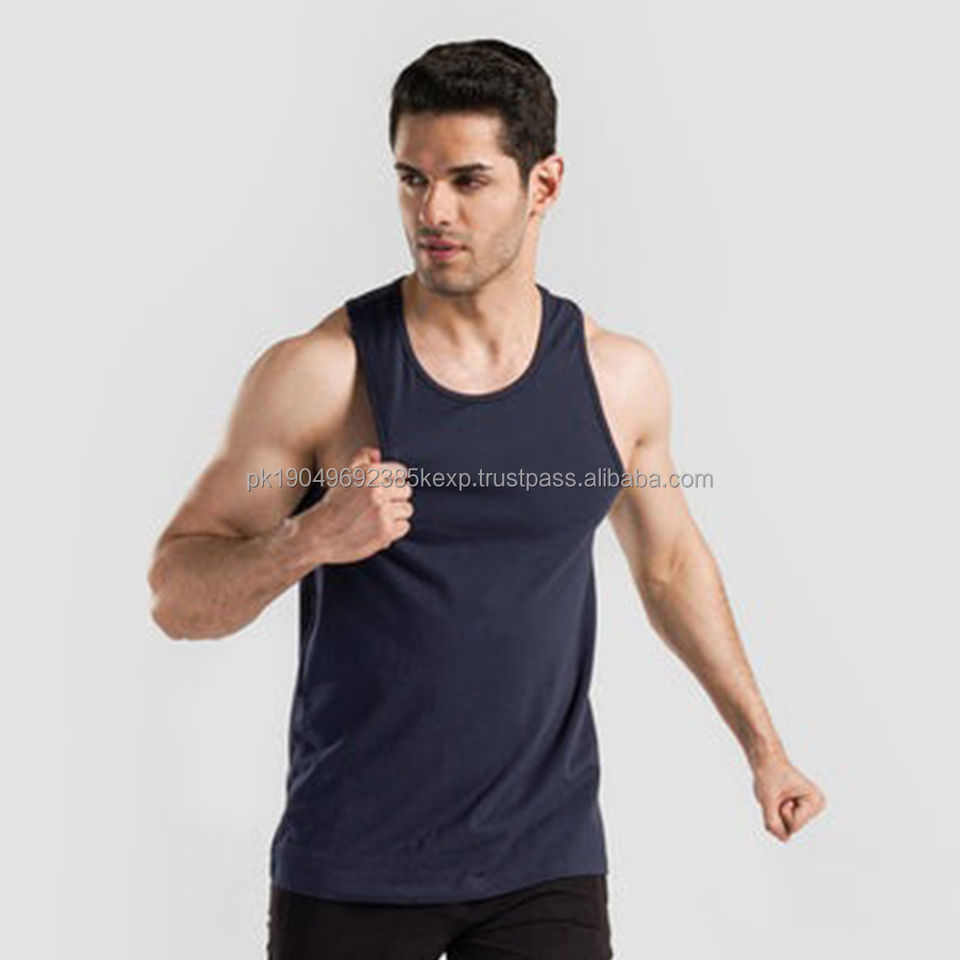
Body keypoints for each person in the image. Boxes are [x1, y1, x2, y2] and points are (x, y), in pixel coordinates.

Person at [148, 38, 826, 960]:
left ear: (543, 185)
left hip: (544, 866)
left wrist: (765, 750)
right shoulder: (322, 375)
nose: (433, 212)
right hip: (351, 869)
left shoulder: (616, 380)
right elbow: (175, 596)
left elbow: (670, 566)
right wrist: (308, 539)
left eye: (468, 181)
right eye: (412, 179)